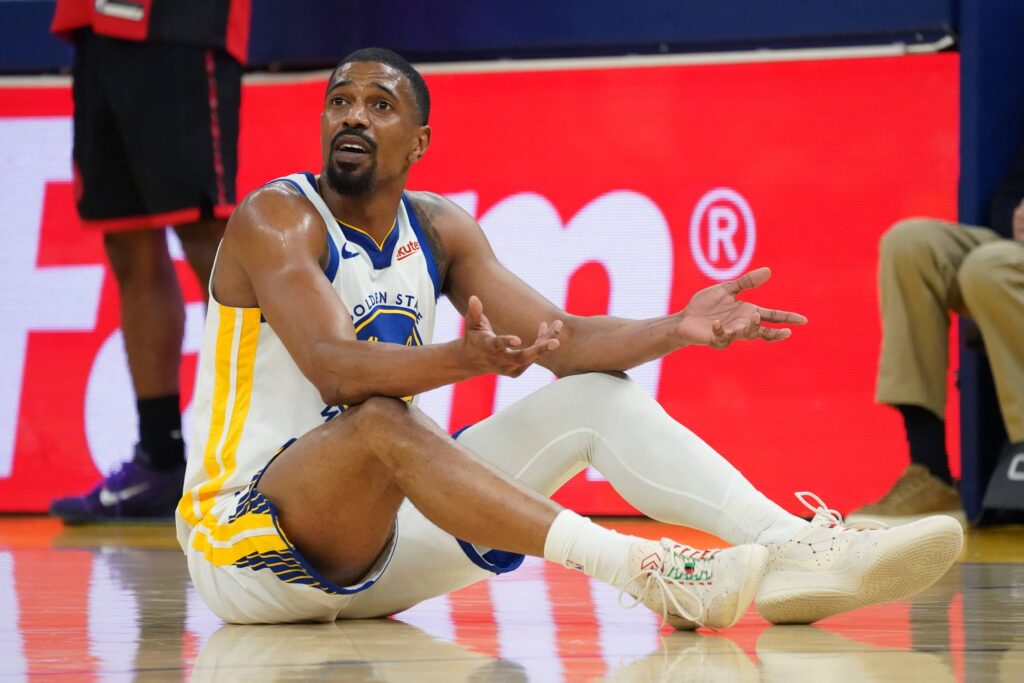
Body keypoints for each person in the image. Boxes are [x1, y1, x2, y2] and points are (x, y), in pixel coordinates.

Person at [177, 48, 963, 629]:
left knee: (592, 397)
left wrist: (676, 327)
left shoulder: (440, 228)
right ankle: (648, 568)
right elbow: (336, 370)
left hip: (376, 549)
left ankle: (794, 552)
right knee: (382, 419)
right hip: (248, 548)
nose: (352, 115)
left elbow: (567, 340)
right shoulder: (276, 218)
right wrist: (457, 360)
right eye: (340, 101)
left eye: (379, 105)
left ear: (418, 142)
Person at [48, 0, 250, 523]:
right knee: (127, 239)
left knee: (207, 236)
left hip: (177, 24)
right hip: (95, 25)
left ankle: (255, 453)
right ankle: (160, 457)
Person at [848, 139, 1024, 525]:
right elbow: (1011, 191)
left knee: (988, 268)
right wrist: (1015, 214)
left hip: (997, 263)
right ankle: (931, 472)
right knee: (910, 245)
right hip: (1010, 249)